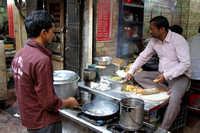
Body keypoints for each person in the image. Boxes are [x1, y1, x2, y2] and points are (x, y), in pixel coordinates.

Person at [12, 10, 79, 133]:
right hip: (44, 122)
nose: (53, 36)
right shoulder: (42, 60)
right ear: (44, 32)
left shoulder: (19, 55)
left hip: (29, 119)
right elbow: (49, 102)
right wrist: (68, 101)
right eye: (52, 31)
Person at [125, 16, 191, 130]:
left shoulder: (178, 40)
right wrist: (131, 71)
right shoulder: (153, 41)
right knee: (139, 76)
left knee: (175, 101)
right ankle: (164, 88)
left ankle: (163, 129)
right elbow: (143, 56)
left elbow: (185, 64)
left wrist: (166, 75)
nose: (150, 31)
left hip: (180, 77)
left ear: (162, 29)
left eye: (152, 28)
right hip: (162, 75)